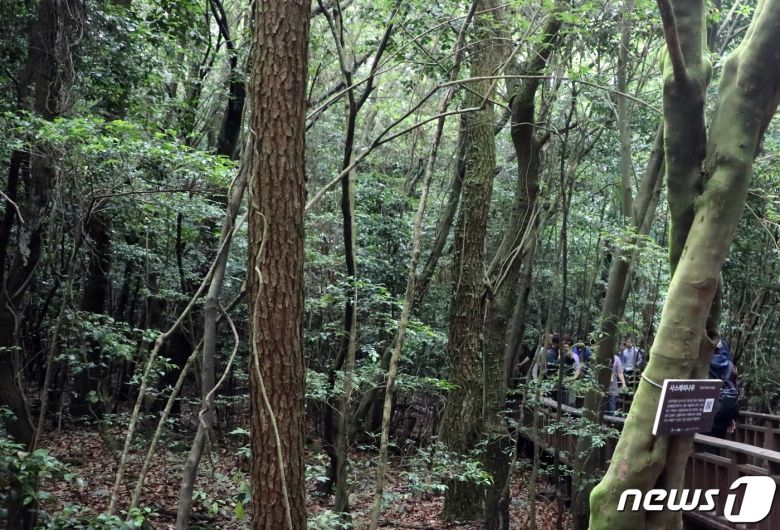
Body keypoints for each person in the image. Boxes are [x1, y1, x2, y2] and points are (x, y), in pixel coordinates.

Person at [708, 339, 740, 438]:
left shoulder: (700, 353)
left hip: (702, 412)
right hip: (723, 410)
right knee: (717, 443)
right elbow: (731, 383)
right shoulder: (724, 346)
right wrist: (730, 418)